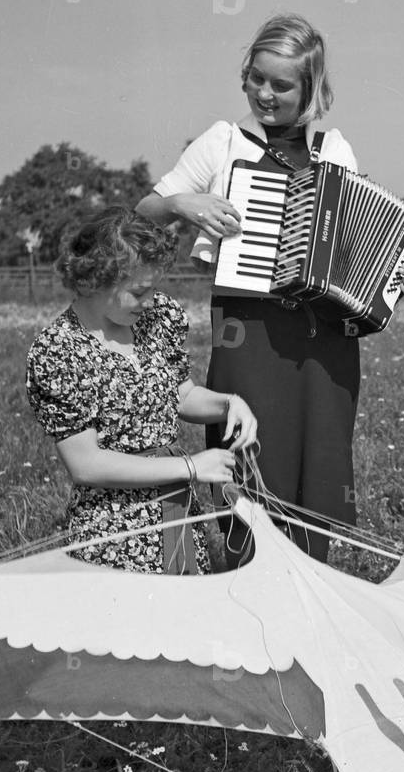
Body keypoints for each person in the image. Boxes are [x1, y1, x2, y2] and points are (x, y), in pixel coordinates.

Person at [136, 13, 404, 564]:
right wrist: (182, 204)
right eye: (257, 79)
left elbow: (360, 239)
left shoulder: (334, 147)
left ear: (311, 88)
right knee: (250, 455)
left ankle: (313, 582)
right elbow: (146, 209)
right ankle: (244, 574)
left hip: (325, 339)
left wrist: (401, 273)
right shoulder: (223, 141)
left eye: (282, 84)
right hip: (251, 334)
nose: (265, 94)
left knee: (318, 461)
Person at [26, 207, 258, 574]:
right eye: (138, 291)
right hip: (115, 532)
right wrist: (190, 466)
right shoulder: (58, 350)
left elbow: (180, 395)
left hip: (177, 513)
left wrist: (229, 403)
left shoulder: (158, 318)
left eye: (155, 288)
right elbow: (86, 465)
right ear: (92, 281)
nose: (151, 300)